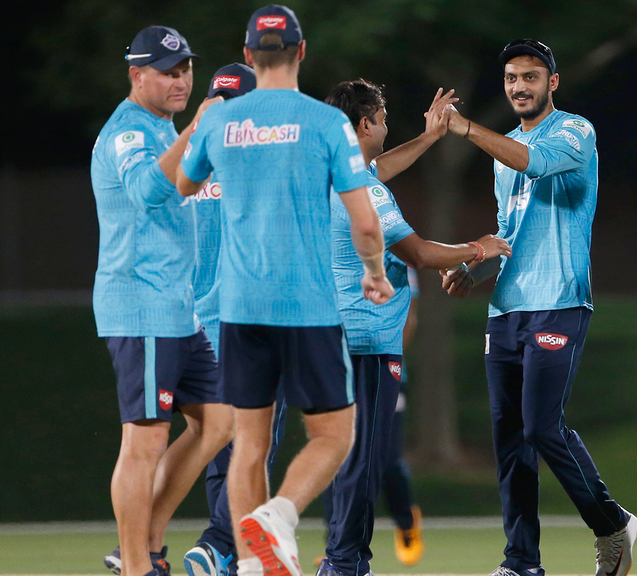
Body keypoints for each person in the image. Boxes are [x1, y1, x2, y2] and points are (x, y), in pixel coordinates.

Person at [176, 6, 393, 576]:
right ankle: (281, 514)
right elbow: (365, 223)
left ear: (249, 56)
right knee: (334, 433)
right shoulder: (327, 124)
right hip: (307, 305)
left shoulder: (221, 122)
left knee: (248, 442)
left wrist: (207, 129)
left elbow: (183, 183)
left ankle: (251, 565)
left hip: (239, 308)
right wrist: (374, 271)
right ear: (301, 53)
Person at [440, 39, 637, 576]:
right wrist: (473, 268)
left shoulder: (575, 130)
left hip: (559, 300)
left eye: (530, 77)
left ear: (552, 83)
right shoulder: (503, 149)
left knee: (541, 428)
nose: (519, 87)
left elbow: (538, 161)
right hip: (507, 309)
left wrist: (465, 128)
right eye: (510, 78)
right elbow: (509, 233)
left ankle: (611, 522)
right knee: (510, 441)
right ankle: (521, 561)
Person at [316, 79, 511, 576]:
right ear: (365, 124)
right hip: (368, 340)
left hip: (332, 336)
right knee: (365, 458)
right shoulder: (366, 190)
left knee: (346, 452)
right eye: (382, 119)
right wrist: (477, 247)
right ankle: (344, 563)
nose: (386, 127)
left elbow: (383, 165)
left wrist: (429, 137)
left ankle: (344, 559)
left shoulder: (329, 172)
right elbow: (419, 253)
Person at [92, 24, 233, 576]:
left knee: (219, 420)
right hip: (141, 306)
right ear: (137, 75)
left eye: (185, 70)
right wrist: (197, 127)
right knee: (144, 441)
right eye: (168, 72)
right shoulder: (129, 132)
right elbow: (150, 191)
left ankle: (148, 540)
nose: (181, 80)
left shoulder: (163, 129)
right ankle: (135, 565)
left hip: (179, 310)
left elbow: (188, 188)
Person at [181, 63, 288, 576]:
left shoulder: (191, 162)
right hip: (251, 319)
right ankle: (221, 541)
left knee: (220, 444)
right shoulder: (260, 158)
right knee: (257, 442)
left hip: (196, 322)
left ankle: (222, 552)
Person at [385, 266, 424, 566]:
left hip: (387, 368)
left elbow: (409, 317)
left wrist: (390, 362)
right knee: (341, 459)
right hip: (344, 371)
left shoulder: (396, 246)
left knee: (386, 458)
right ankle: (338, 545)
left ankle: (405, 520)